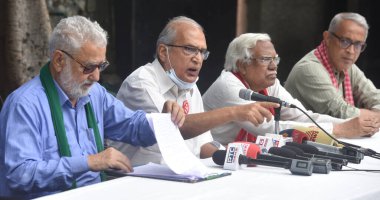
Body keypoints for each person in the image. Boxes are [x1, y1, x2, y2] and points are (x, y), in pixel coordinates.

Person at [0, 16, 185, 199]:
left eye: (101, 66)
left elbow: (131, 126)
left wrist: (163, 119)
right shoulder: (24, 105)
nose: (96, 77)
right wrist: (89, 162)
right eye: (88, 67)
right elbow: (19, 175)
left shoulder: (94, 93)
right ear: (59, 61)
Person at [108, 16, 279, 166]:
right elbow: (173, 130)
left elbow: (203, 147)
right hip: (138, 182)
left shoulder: (190, 87)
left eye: (202, 52)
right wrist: (234, 112)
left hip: (184, 176)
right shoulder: (141, 83)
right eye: (189, 49)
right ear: (163, 51)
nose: (197, 58)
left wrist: (239, 157)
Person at [202, 33, 379, 146]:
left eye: (275, 59)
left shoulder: (270, 84)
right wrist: (340, 130)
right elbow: (270, 129)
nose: (273, 66)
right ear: (242, 65)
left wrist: (350, 125)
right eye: (265, 59)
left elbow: (302, 115)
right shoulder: (229, 85)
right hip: (211, 159)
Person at [285, 12, 380, 124]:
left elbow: (374, 96)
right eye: (345, 41)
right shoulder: (308, 69)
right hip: (298, 138)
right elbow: (341, 113)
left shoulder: (348, 66)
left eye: (358, 44)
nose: (351, 51)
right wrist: (376, 116)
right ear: (327, 38)